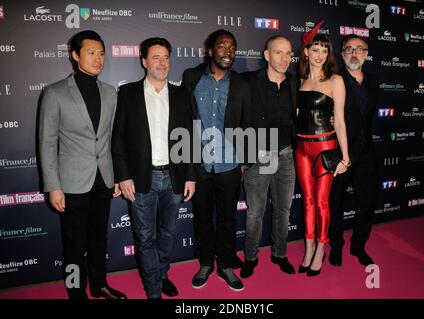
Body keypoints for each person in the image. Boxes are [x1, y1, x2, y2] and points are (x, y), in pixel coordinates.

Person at [39, 30, 127, 299]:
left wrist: (115, 177)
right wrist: (53, 186)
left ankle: (99, 284)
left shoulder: (111, 93)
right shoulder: (54, 93)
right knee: (74, 244)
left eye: (101, 53)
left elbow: (113, 139)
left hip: (103, 179)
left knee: (99, 237)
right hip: (72, 183)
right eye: (91, 52)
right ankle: (76, 291)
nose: (98, 58)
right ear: (75, 55)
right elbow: (46, 143)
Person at [111, 37, 196, 299]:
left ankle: (161, 274)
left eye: (166, 57)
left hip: (174, 177)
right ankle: (153, 290)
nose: (162, 62)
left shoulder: (182, 94)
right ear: (144, 61)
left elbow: (190, 137)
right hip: (140, 179)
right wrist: (123, 176)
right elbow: (118, 139)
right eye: (156, 57)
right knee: (145, 237)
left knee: (168, 234)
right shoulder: (128, 93)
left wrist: (191, 177)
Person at [182, 29, 251, 292]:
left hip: (229, 164)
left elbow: (248, 125)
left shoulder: (242, 84)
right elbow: (184, 120)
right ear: (210, 50)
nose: (228, 52)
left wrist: (244, 163)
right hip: (199, 164)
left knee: (227, 218)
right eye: (222, 46)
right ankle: (205, 264)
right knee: (201, 218)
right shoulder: (191, 77)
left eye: (232, 47)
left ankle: (225, 265)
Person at [239, 35, 297, 278]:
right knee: (255, 212)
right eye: (278, 53)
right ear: (266, 55)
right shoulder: (249, 82)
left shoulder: (295, 82)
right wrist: (243, 159)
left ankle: (279, 253)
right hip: (259, 156)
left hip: (286, 156)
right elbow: (237, 119)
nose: (284, 59)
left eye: (288, 53)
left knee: (284, 210)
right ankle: (251, 257)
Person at [295, 23, 350, 277]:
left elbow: (339, 120)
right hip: (301, 147)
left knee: (321, 202)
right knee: (307, 202)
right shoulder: (301, 80)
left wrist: (345, 158)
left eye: (324, 51)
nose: (319, 55)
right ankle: (307, 248)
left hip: (324, 147)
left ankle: (320, 248)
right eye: (315, 49)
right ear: (306, 52)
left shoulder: (335, 80)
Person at [328, 35, 379, 267]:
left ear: (366, 54)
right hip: (341, 153)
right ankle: (336, 246)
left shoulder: (373, 82)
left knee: (367, 202)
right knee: (335, 203)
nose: (354, 54)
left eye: (359, 49)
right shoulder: (334, 80)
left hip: (366, 153)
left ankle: (359, 246)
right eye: (349, 49)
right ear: (342, 54)